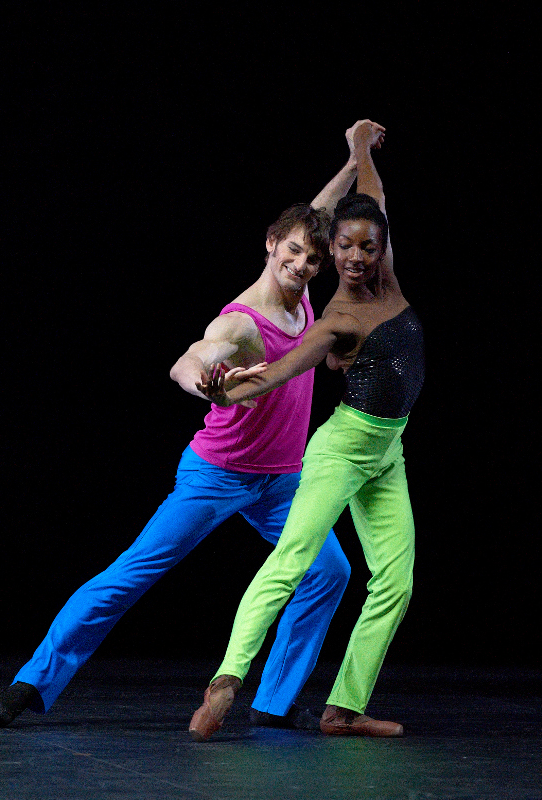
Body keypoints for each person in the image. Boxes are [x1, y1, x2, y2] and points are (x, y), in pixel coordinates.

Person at [0, 120, 385, 730]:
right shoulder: (244, 320)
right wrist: (203, 380)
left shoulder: (304, 293)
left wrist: (356, 157)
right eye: (292, 252)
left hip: (281, 481)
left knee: (328, 571)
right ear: (269, 246)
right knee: (130, 575)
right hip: (217, 475)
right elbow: (192, 356)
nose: (302, 265)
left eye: (313, 257)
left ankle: (273, 701)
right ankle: (31, 682)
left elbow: (318, 215)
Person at [189, 119, 424, 741]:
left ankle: (343, 708)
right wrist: (218, 384)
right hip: (342, 450)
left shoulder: (387, 278)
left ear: (379, 248)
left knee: (395, 580)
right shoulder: (336, 319)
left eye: (366, 246)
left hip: (387, 452)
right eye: (343, 248)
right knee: (292, 561)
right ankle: (226, 681)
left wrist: (360, 150)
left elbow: (373, 202)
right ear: (334, 254)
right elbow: (265, 379)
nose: (354, 257)